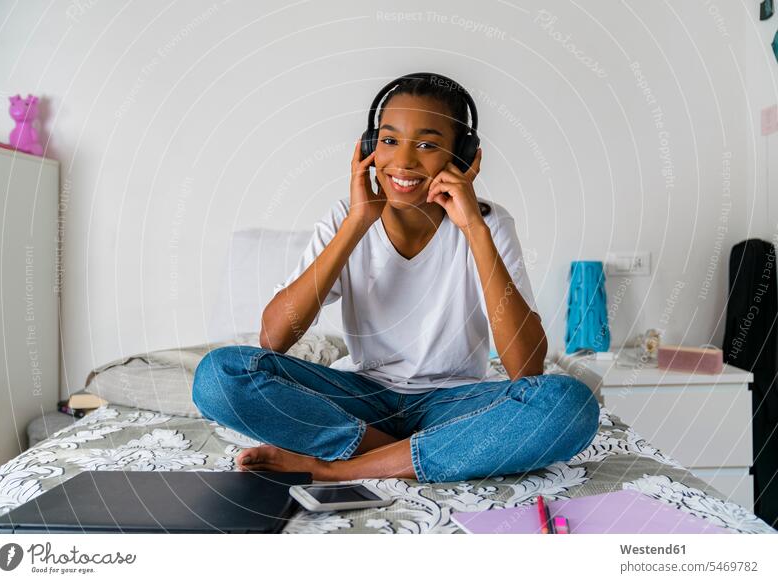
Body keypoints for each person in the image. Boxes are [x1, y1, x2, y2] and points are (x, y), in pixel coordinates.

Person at [192, 73, 599, 483]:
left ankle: (339, 468)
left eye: (426, 144)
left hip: (453, 403)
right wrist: (357, 222)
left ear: (462, 157)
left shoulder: (488, 224)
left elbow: (526, 368)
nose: (403, 161)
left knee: (570, 405)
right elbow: (273, 339)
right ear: (369, 148)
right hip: (362, 397)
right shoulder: (345, 217)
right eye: (389, 140)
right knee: (218, 377)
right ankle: (421, 452)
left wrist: (474, 228)